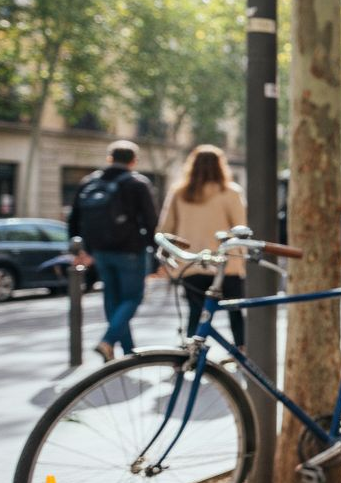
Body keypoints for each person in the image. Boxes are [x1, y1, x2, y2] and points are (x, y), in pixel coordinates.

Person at [68, 140, 159, 361]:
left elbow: (74, 219)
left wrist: (79, 250)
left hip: (99, 251)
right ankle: (108, 341)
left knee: (112, 300)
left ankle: (127, 353)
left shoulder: (89, 182)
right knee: (133, 298)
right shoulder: (137, 183)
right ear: (133, 161)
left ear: (110, 158)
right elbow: (151, 222)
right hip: (130, 251)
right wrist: (156, 252)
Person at [158, 145, 247, 349]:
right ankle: (241, 352)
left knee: (196, 312)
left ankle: (191, 353)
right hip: (226, 264)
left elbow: (165, 229)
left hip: (192, 263)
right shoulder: (230, 192)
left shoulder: (180, 192)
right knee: (235, 312)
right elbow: (240, 229)